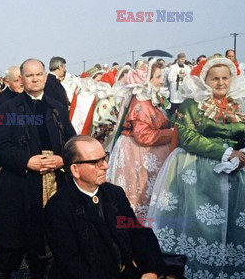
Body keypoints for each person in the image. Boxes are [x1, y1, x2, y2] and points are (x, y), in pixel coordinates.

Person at [147, 56, 245, 277]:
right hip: (201, 171)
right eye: (215, 79)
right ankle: (200, 268)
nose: (221, 83)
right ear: (204, 80)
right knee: (203, 224)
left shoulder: (239, 103)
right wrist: (225, 152)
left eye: (225, 78)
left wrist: (241, 154)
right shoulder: (193, 104)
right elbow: (187, 137)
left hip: (236, 171)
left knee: (232, 223)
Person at [0, 58, 76, 279]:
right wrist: (26, 161)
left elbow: (72, 141)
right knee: (13, 235)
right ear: (22, 79)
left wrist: (62, 160)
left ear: (46, 77)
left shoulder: (57, 107)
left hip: (54, 179)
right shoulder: (7, 108)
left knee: (50, 236)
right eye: (30, 75)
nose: (35, 79)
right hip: (21, 179)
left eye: (39, 74)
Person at [46, 135, 164, 279]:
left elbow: (137, 232)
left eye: (104, 158)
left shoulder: (114, 194)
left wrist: (150, 269)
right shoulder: (58, 207)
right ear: (75, 170)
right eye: (96, 162)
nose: (106, 166)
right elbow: (73, 265)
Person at [107, 62, 172, 219]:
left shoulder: (149, 99)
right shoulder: (141, 102)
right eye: (157, 77)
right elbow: (144, 136)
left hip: (144, 150)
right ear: (146, 80)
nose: (161, 81)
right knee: (139, 192)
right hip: (137, 153)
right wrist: (171, 133)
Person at [0, 66, 23, 209]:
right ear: (7, 81)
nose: (21, 82)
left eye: (22, 78)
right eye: (16, 80)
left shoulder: (27, 97)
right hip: (5, 156)